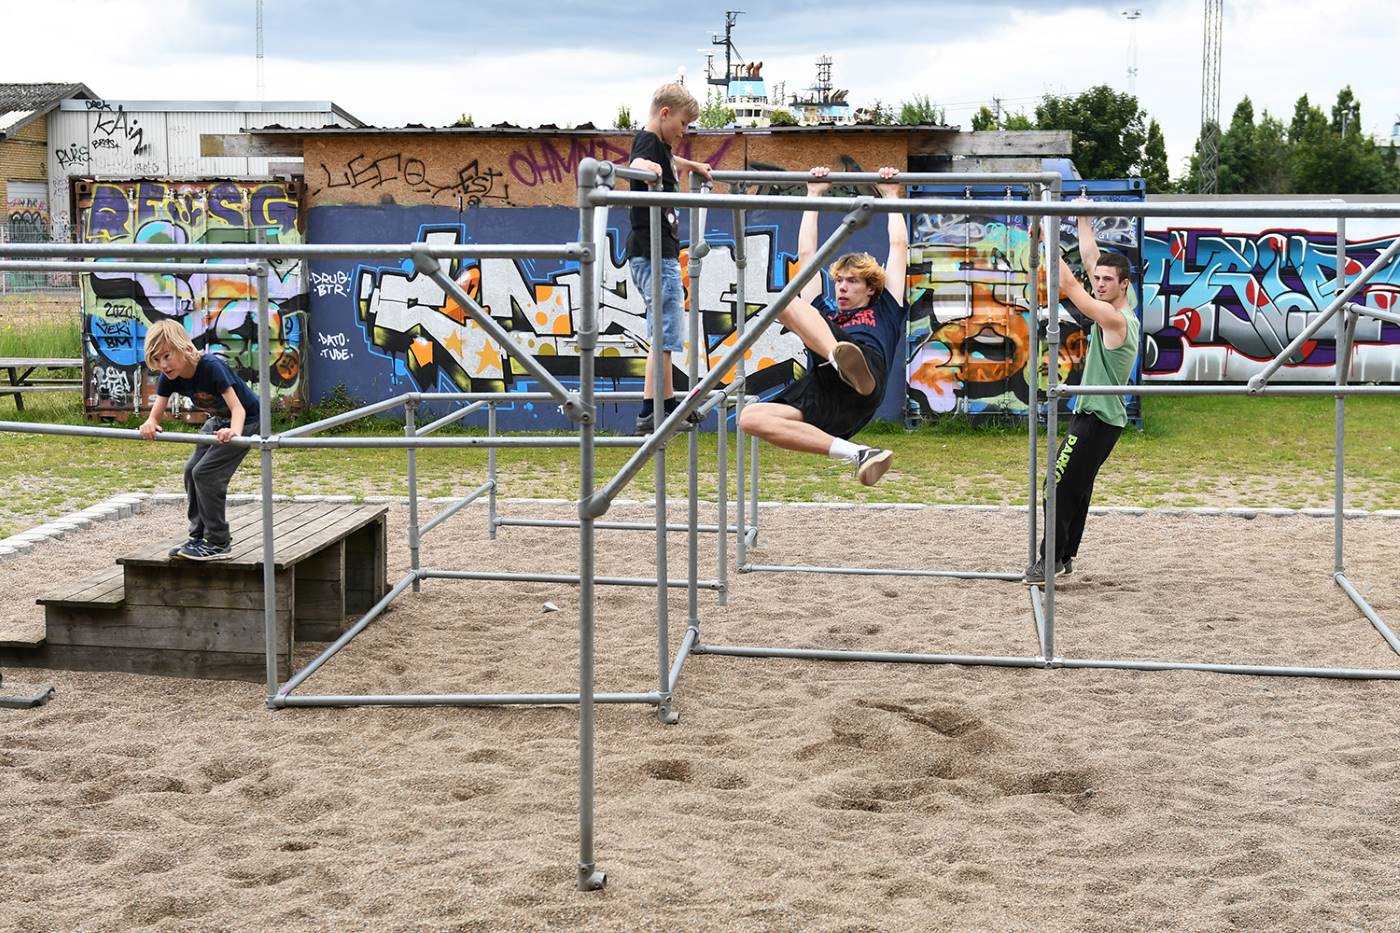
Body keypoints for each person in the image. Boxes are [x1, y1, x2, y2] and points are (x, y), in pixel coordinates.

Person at [738, 165, 908, 486]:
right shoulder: (824, 309)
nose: (842, 287)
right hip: (826, 390)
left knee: (790, 302)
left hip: (866, 378)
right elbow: (807, 254)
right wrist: (813, 194)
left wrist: (891, 196)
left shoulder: (886, 306)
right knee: (750, 418)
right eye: (839, 281)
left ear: (871, 287)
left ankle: (845, 362)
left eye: (852, 281)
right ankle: (859, 453)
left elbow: (898, 247)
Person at [1024, 207, 1141, 583]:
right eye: (1099, 279)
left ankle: (1051, 561)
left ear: (1124, 285)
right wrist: (1084, 220)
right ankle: (1065, 555)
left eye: (1108, 280)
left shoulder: (1115, 319)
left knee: (1055, 486)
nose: (1100, 283)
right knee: (1076, 488)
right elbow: (1091, 262)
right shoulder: (1127, 306)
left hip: (1096, 419)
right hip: (1102, 420)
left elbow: (1070, 286)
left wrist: (1046, 234)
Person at [627, 82, 713, 435]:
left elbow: (671, 159)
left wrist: (691, 165)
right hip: (654, 249)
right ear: (664, 114)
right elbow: (638, 161)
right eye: (682, 124)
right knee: (663, 333)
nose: (684, 132)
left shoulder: (660, 144)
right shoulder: (648, 144)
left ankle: (665, 402)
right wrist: (646, 167)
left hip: (656, 249)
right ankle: (651, 410)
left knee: (666, 333)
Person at [138, 320, 260, 561]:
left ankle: (218, 541)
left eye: (167, 356)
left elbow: (238, 409)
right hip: (218, 421)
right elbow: (155, 412)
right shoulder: (169, 375)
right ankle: (197, 536)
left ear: (184, 348)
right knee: (191, 470)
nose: (163, 364)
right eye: (157, 359)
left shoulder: (211, 367)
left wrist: (234, 433)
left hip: (246, 421)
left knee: (206, 474)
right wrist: (150, 423)